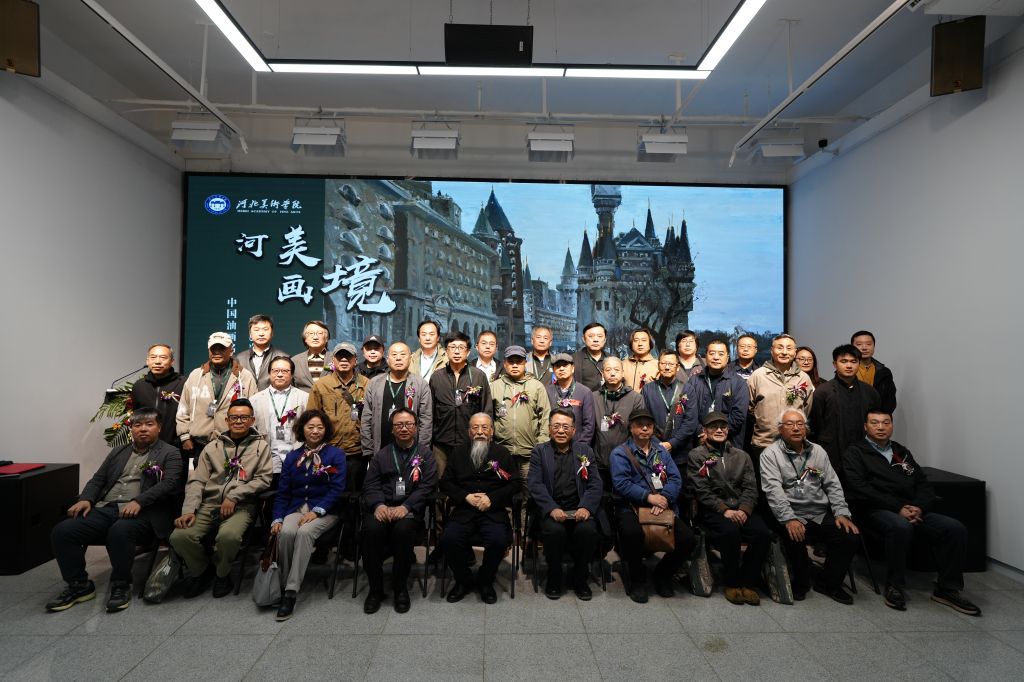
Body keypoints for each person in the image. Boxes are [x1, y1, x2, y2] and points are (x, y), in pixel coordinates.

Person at [843, 409, 980, 615]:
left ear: (892, 426)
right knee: (901, 527)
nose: (881, 427)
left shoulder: (901, 451)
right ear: (865, 426)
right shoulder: (855, 452)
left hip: (911, 509)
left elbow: (923, 484)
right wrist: (897, 508)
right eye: (875, 423)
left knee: (954, 528)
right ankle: (895, 585)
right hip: (874, 510)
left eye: (886, 423)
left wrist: (919, 507)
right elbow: (859, 488)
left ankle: (947, 588)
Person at [46, 408, 182, 613]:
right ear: (131, 428)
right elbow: (98, 479)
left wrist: (139, 501)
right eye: (137, 425)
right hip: (107, 508)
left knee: (120, 531)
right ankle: (79, 585)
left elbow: (169, 484)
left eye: (149, 424)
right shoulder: (119, 451)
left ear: (159, 428)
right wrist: (86, 499)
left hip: (145, 512)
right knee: (63, 531)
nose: (143, 429)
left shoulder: (170, 452)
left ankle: (121, 584)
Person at [169, 399, 273, 598]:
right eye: (234, 417)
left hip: (242, 505)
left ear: (252, 420)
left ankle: (222, 574)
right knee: (179, 537)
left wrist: (234, 496)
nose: (238, 421)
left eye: (244, 417)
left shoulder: (261, 447)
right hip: (209, 503)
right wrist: (189, 510)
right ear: (227, 420)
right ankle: (201, 571)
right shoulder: (212, 447)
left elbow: (264, 479)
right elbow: (197, 481)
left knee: (229, 537)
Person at [760, 408, 859, 604]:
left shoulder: (818, 451)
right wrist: (789, 518)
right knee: (794, 535)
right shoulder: (770, 454)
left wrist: (841, 512)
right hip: (791, 512)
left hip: (818, 512)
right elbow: (773, 490)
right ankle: (801, 582)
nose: (796, 428)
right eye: (790, 424)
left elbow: (832, 484)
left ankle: (828, 583)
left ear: (806, 428)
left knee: (849, 536)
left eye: (800, 424)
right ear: (780, 429)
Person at [610, 409, 697, 603]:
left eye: (648, 425)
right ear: (631, 428)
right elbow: (621, 484)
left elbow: (675, 478)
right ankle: (637, 580)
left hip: (662, 504)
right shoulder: (620, 453)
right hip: (631, 506)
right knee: (632, 534)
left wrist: (664, 497)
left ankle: (663, 574)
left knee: (688, 539)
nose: (644, 429)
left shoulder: (661, 451)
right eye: (639, 425)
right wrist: (649, 498)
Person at [269, 409, 347, 620]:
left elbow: (337, 489)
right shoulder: (292, 457)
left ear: (326, 430)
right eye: (310, 427)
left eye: (320, 427)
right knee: (285, 532)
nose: (315, 431)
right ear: (302, 429)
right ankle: (283, 583)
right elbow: (283, 493)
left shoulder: (336, 455)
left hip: (326, 511)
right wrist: (277, 518)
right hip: (296, 509)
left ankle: (290, 592)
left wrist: (316, 511)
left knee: (304, 533)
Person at [686, 412, 768, 606]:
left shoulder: (742, 455)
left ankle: (748, 582)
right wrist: (724, 509)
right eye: (713, 427)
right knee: (730, 532)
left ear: (728, 430)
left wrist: (744, 509)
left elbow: (750, 487)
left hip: (741, 507)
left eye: (723, 427)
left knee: (762, 533)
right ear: (705, 431)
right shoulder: (696, 455)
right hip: (713, 509)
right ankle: (731, 582)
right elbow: (701, 490)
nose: (719, 430)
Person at [360, 408, 438, 614]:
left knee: (403, 531)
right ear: (392, 430)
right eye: (399, 425)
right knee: (370, 530)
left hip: (409, 509)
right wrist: (379, 505)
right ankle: (375, 590)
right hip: (383, 507)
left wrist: (406, 506)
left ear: (416, 427)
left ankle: (400, 588)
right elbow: (371, 484)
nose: (404, 428)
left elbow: (427, 486)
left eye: (408, 424)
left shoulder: (426, 455)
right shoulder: (381, 455)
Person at [439, 413, 519, 604]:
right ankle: (463, 580)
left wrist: (492, 498)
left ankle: (485, 580)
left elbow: (515, 483)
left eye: (484, 428)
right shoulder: (458, 452)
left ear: (491, 431)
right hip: (464, 510)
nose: (480, 432)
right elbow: (446, 483)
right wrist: (464, 496)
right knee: (448, 540)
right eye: (475, 427)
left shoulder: (502, 453)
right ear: (469, 432)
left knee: (499, 541)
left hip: (493, 511)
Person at [526, 409, 604, 600]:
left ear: (574, 430)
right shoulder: (539, 451)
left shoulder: (585, 451)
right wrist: (551, 508)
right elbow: (535, 484)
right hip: (552, 510)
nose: (561, 431)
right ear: (549, 428)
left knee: (587, 531)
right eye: (556, 426)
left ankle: (580, 577)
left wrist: (586, 507)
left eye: (565, 427)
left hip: (579, 509)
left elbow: (595, 483)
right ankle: (554, 575)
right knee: (554, 531)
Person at [176, 332, 258, 463]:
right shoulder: (196, 376)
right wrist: (184, 436)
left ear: (231, 350)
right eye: (213, 348)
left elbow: (254, 409)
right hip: (200, 444)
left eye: (222, 348)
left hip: (234, 443)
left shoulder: (244, 376)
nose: (217, 352)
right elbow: (183, 408)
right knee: (200, 476)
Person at [307, 342, 370, 490]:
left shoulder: (367, 384)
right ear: (333, 360)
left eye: (348, 357)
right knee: (330, 492)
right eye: (340, 357)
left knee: (355, 493)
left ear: (355, 360)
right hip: (329, 450)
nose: (344, 360)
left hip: (357, 451)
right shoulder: (321, 385)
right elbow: (311, 418)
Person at [809, 344, 880, 474]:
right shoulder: (823, 391)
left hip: (863, 450)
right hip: (832, 451)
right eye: (844, 361)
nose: (849, 365)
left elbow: (875, 422)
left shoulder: (869, 391)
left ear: (859, 363)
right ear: (834, 364)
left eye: (853, 361)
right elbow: (816, 424)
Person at [429, 331, 493, 477]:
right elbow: (430, 412)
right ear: (446, 351)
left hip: (470, 441)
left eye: (461, 347)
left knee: (469, 480)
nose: (457, 351)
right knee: (442, 481)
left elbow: (486, 409)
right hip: (441, 443)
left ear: (468, 352)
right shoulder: (436, 377)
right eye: (452, 347)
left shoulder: (478, 376)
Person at [490, 345, 551, 487]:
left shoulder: (536, 386)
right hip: (502, 451)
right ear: (505, 364)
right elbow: (489, 417)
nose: (515, 365)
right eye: (511, 362)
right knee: (503, 488)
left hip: (529, 452)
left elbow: (546, 417)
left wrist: (540, 444)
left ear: (525, 363)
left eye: (519, 362)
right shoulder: (495, 386)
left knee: (529, 489)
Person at [747, 334, 814, 460]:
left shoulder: (804, 378)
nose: (784, 352)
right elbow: (750, 408)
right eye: (780, 347)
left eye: (789, 348)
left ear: (795, 352)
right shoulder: (758, 376)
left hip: (794, 443)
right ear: (772, 350)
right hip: (764, 442)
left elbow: (806, 409)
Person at [678, 339, 750, 455]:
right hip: (699, 442)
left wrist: (714, 433)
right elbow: (688, 412)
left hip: (729, 444)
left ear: (727, 357)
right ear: (705, 356)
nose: (716, 357)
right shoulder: (694, 381)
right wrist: (702, 433)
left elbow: (738, 416)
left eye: (721, 354)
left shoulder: (738, 383)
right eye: (712, 353)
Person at [361, 342, 432, 457]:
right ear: (387, 359)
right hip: (380, 448)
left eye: (403, 354)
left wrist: (422, 451)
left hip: (411, 450)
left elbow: (426, 420)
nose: (398, 358)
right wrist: (368, 449)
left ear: (410, 358)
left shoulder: (420, 384)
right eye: (394, 355)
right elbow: (366, 418)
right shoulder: (374, 383)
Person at [250, 355, 309, 485]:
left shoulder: (305, 398)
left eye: (285, 371)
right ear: (269, 373)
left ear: (292, 374)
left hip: (297, 455)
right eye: (275, 371)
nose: (280, 374)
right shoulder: (255, 400)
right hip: (267, 457)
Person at [131, 343, 186, 449]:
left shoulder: (183, 383)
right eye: (153, 357)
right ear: (147, 361)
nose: (157, 361)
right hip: (146, 446)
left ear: (172, 361)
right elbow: (137, 416)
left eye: (163, 357)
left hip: (175, 446)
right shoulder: (139, 386)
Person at [592, 357, 645, 467]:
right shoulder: (593, 397)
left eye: (616, 370)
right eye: (608, 370)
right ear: (602, 374)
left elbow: (639, 431)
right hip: (599, 461)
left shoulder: (635, 398)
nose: (612, 373)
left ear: (623, 373)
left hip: (627, 461)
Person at [641, 351, 688, 464]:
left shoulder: (687, 389)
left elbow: (690, 421)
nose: (667, 367)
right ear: (658, 365)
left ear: (677, 367)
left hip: (681, 452)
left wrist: (672, 443)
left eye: (671, 364)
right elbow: (643, 419)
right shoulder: (647, 389)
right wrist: (657, 444)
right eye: (663, 363)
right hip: (653, 449)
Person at [545, 353, 597, 446]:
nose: (561, 369)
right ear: (553, 370)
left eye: (565, 365)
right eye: (557, 366)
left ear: (573, 368)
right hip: (552, 446)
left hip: (577, 446)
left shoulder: (585, 392)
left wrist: (580, 448)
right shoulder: (546, 391)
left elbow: (589, 426)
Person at [235, 314, 289, 391]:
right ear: (250, 334)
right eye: (256, 330)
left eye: (265, 329)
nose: (261, 334)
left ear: (272, 333)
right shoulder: (239, 358)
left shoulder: (284, 358)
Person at [851, 330, 897, 414]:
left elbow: (890, 399)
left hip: (878, 418)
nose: (864, 348)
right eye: (859, 344)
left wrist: (880, 417)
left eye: (868, 344)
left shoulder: (884, 372)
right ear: (852, 347)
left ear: (874, 346)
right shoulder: (846, 371)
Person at [291, 320, 331, 391]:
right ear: (305, 339)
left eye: (320, 333)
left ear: (326, 338)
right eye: (311, 333)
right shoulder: (295, 361)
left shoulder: (336, 359)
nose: (315, 337)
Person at [572, 322, 609, 391]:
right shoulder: (574, 359)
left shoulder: (612, 359)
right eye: (591, 336)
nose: (595, 340)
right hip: (582, 397)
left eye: (599, 336)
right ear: (584, 339)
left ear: (605, 339)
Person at [622, 327, 659, 391]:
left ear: (650, 344)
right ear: (631, 344)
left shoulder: (658, 365)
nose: (640, 344)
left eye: (644, 340)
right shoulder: (622, 364)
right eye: (636, 340)